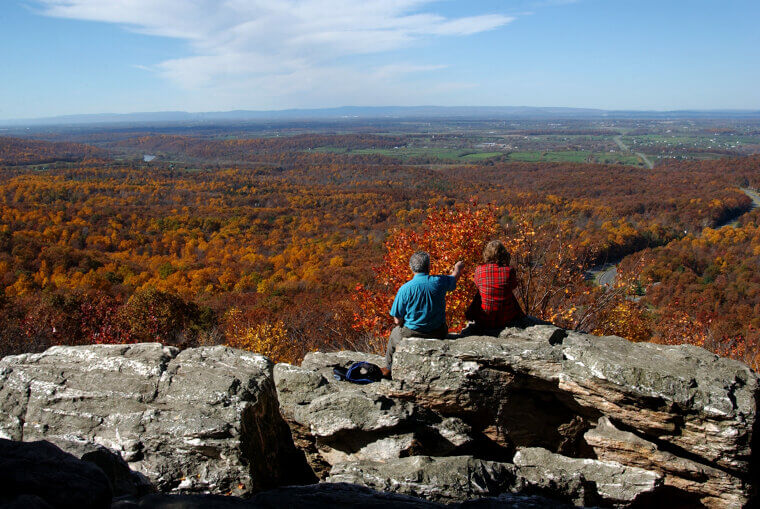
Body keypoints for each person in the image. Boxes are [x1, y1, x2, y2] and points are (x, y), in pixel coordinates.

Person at [382, 251, 464, 377]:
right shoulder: (439, 282)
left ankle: (388, 368)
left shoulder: (405, 289)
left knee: (394, 334)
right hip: (438, 332)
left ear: (411, 268)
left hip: (412, 332)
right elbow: (454, 277)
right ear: (429, 267)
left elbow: (397, 320)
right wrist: (458, 267)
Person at [461, 240, 533, 336]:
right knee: (507, 293)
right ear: (503, 254)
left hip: (484, 318)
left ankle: (470, 317)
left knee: (480, 293)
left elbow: (478, 285)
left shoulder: (479, 270)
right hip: (505, 318)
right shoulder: (509, 271)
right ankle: (521, 317)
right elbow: (514, 285)